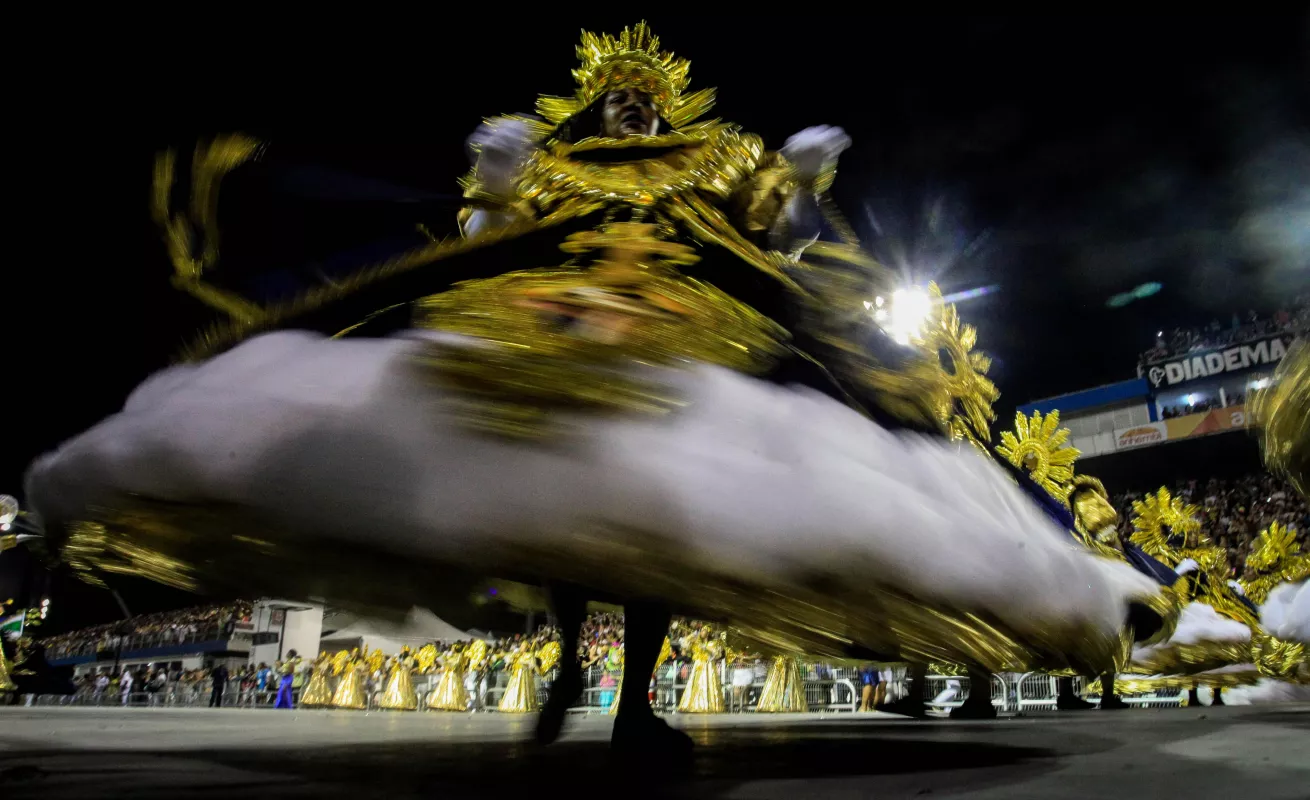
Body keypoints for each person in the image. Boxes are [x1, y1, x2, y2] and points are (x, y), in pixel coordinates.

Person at [26, 21, 1170, 759]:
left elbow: (771, 228)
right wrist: (493, 181)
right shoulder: (564, 160)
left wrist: (799, 180)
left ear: (660, 104)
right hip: (551, 318)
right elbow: (485, 237)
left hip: (676, 327)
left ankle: (623, 696)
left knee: (655, 489)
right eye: (613, 92)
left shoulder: (712, 154)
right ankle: (578, 660)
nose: (627, 104)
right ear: (598, 103)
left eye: (640, 93)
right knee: (562, 484)